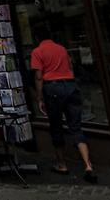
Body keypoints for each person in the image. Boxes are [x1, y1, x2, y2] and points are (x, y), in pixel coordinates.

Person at [31, 25, 96, 183]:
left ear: (37, 38)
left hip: (53, 88)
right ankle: (88, 165)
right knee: (76, 126)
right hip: (71, 86)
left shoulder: (37, 52)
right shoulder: (62, 49)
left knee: (56, 126)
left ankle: (61, 163)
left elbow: (39, 77)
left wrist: (39, 98)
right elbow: (70, 67)